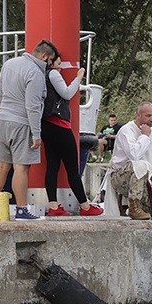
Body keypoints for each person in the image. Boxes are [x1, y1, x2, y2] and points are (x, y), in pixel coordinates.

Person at [0, 39, 57, 221]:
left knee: (2, 164)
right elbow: (33, 106)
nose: (49, 66)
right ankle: (21, 210)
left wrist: (5, 111)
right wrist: (37, 133)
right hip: (22, 123)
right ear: (44, 56)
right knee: (21, 168)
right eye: (49, 62)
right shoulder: (35, 72)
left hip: (3, 120)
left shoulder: (9, 64)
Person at [40, 50, 103, 216]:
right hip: (60, 126)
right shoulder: (53, 74)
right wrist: (79, 77)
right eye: (59, 64)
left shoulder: (41, 77)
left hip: (46, 125)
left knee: (52, 166)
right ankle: (85, 206)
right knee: (71, 168)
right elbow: (67, 92)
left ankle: (53, 205)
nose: (61, 68)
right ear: (51, 63)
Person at [102, 102, 152, 220]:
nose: (151, 119)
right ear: (138, 115)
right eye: (148, 116)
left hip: (144, 178)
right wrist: (144, 136)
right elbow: (134, 155)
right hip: (120, 177)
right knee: (141, 165)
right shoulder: (127, 130)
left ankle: (141, 208)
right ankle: (134, 207)